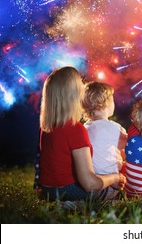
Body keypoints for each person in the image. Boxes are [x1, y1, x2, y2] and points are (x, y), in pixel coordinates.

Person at [38, 66, 126, 201]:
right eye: (81, 87)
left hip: (47, 191)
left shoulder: (47, 127)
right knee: (115, 190)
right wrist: (115, 178)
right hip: (67, 192)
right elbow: (90, 184)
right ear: (74, 95)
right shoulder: (76, 129)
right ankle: (74, 204)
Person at [82, 82, 127, 177]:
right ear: (107, 103)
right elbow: (129, 146)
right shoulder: (115, 128)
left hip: (91, 177)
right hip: (110, 177)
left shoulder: (84, 128)